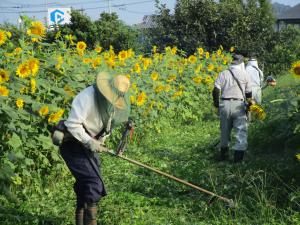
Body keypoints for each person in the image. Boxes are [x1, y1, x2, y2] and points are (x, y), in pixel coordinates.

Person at [59, 72, 130, 225]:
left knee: (86, 184)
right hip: (73, 143)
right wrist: (89, 141)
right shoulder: (87, 97)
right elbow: (72, 124)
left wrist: (99, 143)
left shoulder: (113, 102)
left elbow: (106, 125)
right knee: (93, 183)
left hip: (89, 146)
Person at [212, 54, 252, 162]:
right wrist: (249, 107)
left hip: (224, 104)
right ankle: (238, 160)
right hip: (239, 105)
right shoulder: (245, 75)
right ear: (241, 63)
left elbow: (216, 89)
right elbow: (248, 94)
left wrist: (216, 104)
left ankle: (224, 157)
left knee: (224, 130)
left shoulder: (223, 73)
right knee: (240, 131)